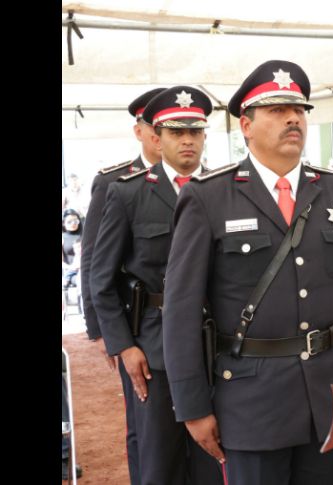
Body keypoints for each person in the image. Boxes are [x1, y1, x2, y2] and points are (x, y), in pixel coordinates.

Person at [161, 60, 333, 485]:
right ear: (246, 124)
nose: (293, 118)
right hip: (251, 401)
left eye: (298, 110)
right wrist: (193, 407)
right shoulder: (209, 198)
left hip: (330, 394)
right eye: (277, 110)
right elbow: (181, 310)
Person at [90, 86, 223, 485]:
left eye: (195, 132)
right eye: (176, 132)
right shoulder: (128, 192)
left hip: (217, 343)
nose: (187, 140)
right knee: (159, 456)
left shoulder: (228, 189)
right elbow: (101, 278)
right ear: (157, 138)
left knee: (214, 454)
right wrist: (123, 345)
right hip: (153, 342)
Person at [79, 87, 164, 484]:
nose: (167, 136)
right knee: (142, 426)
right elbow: (94, 259)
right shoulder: (116, 183)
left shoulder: (208, 181)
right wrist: (106, 333)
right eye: (157, 127)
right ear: (140, 131)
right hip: (138, 325)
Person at [62, 208, 83, 289]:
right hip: (70, 271)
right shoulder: (62, 238)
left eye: (75, 221)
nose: (73, 224)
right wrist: (71, 267)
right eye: (69, 222)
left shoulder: (84, 235)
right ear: (64, 223)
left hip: (84, 268)